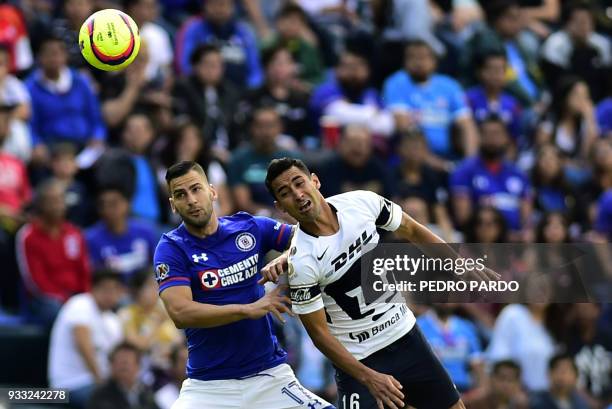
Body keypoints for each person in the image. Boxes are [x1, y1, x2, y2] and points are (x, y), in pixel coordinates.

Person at [264, 157, 499, 409]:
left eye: (299, 183)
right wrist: (369, 377)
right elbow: (319, 335)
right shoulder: (302, 262)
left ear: (315, 181)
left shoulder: (361, 203)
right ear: (281, 207)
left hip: (406, 337)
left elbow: (412, 229)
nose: (298, 194)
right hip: (360, 361)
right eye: (286, 193)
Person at [153, 161, 334, 409]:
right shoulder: (171, 248)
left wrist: (284, 256)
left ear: (213, 191)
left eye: (196, 189)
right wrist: (248, 309)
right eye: (181, 195)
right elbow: (180, 313)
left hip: (269, 377)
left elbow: (311, 235)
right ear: (173, 206)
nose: (192, 200)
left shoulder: (250, 227)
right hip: (208, 387)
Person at [48, 271, 124, 409]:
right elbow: (84, 347)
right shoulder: (81, 304)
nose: (110, 294)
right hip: (69, 385)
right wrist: (104, 385)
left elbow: (117, 358)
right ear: (93, 288)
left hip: (96, 384)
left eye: (115, 289)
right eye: (105, 289)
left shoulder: (113, 320)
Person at [86, 342, 160, 409]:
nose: (122, 367)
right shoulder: (101, 396)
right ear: (111, 366)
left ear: (138, 366)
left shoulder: (147, 391)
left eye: (126, 363)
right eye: (119, 362)